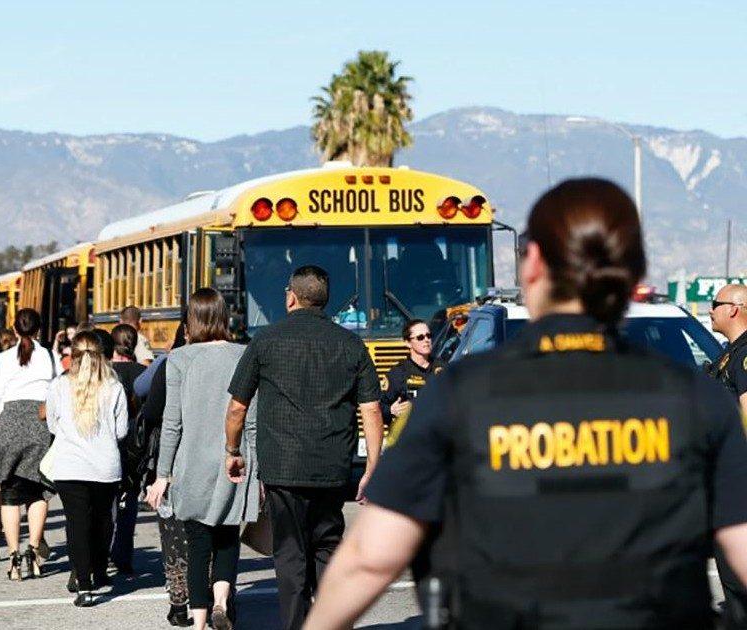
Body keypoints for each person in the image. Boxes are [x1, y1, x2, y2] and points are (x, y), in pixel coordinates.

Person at [305, 178, 747, 630]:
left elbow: (369, 559)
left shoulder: (460, 397)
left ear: (532, 263)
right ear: (635, 276)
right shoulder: (700, 401)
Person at [224, 265, 383, 630]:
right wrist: (374, 465)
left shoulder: (266, 341)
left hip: (283, 467)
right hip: (332, 466)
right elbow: (372, 409)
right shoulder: (351, 344)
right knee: (328, 547)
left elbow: (237, 407)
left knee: (291, 555)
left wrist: (233, 451)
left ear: (291, 297)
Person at [147, 289, 260, 630]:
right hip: (235, 461)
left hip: (191, 464)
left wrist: (162, 475)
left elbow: (172, 423)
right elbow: (251, 418)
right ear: (225, 318)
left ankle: (198, 623)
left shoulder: (179, 360)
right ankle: (222, 600)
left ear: (190, 321)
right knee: (226, 538)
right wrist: (261, 472)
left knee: (198, 545)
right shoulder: (244, 355)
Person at [44, 331, 129, 607]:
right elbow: (121, 430)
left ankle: (83, 583)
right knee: (103, 521)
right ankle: (100, 569)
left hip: (69, 466)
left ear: (73, 356)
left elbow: (52, 425)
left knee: (76, 524)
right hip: (105, 465)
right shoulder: (113, 386)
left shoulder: (59, 386)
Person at [0, 309, 56, 581]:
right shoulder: (49, 356)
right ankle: (33, 551)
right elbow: (56, 392)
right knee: (38, 491)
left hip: (9, 423)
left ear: (14, 329)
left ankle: (13, 557)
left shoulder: (5, 359)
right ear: (39, 329)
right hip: (39, 423)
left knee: (9, 495)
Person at [139, 319, 194, 627]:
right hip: (210, 458)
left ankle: (179, 601)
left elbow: (150, 411)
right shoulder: (229, 358)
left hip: (171, 459)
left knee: (172, 531)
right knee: (207, 530)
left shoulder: (171, 363)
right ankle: (211, 592)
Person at [708, 282, 747, 619]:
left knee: (738, 582)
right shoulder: (729, 352)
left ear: (733, 308)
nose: (710, 309)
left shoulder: (745, 355)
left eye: (715, 303)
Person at [108, 323, 147, 575]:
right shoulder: (143, 373)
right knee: (129, 498)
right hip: (135, 443)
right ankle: (124, 553)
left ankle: (106, 548)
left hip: (109, 441)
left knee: (107, 498)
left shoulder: (105, 373)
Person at [380, 319, 446, 424]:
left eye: (429, 336)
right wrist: (391, 410)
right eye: (420, 337)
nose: (426, 340)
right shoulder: (398, 373)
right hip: (411, 435)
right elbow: (378, 406)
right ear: (408, 343)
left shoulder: (444, 368)